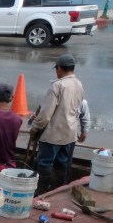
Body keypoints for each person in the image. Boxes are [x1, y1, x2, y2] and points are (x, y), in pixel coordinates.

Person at [30, 53, 85, 194]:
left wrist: (35, 128)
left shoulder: (57, 86)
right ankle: (56, 192)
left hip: (53, 134)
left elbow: (45, 114)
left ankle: (41, 192)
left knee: (44, 164)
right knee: (62, 164)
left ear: (59, 68)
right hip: (70, 133)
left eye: (57, 69)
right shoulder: (79, 84)